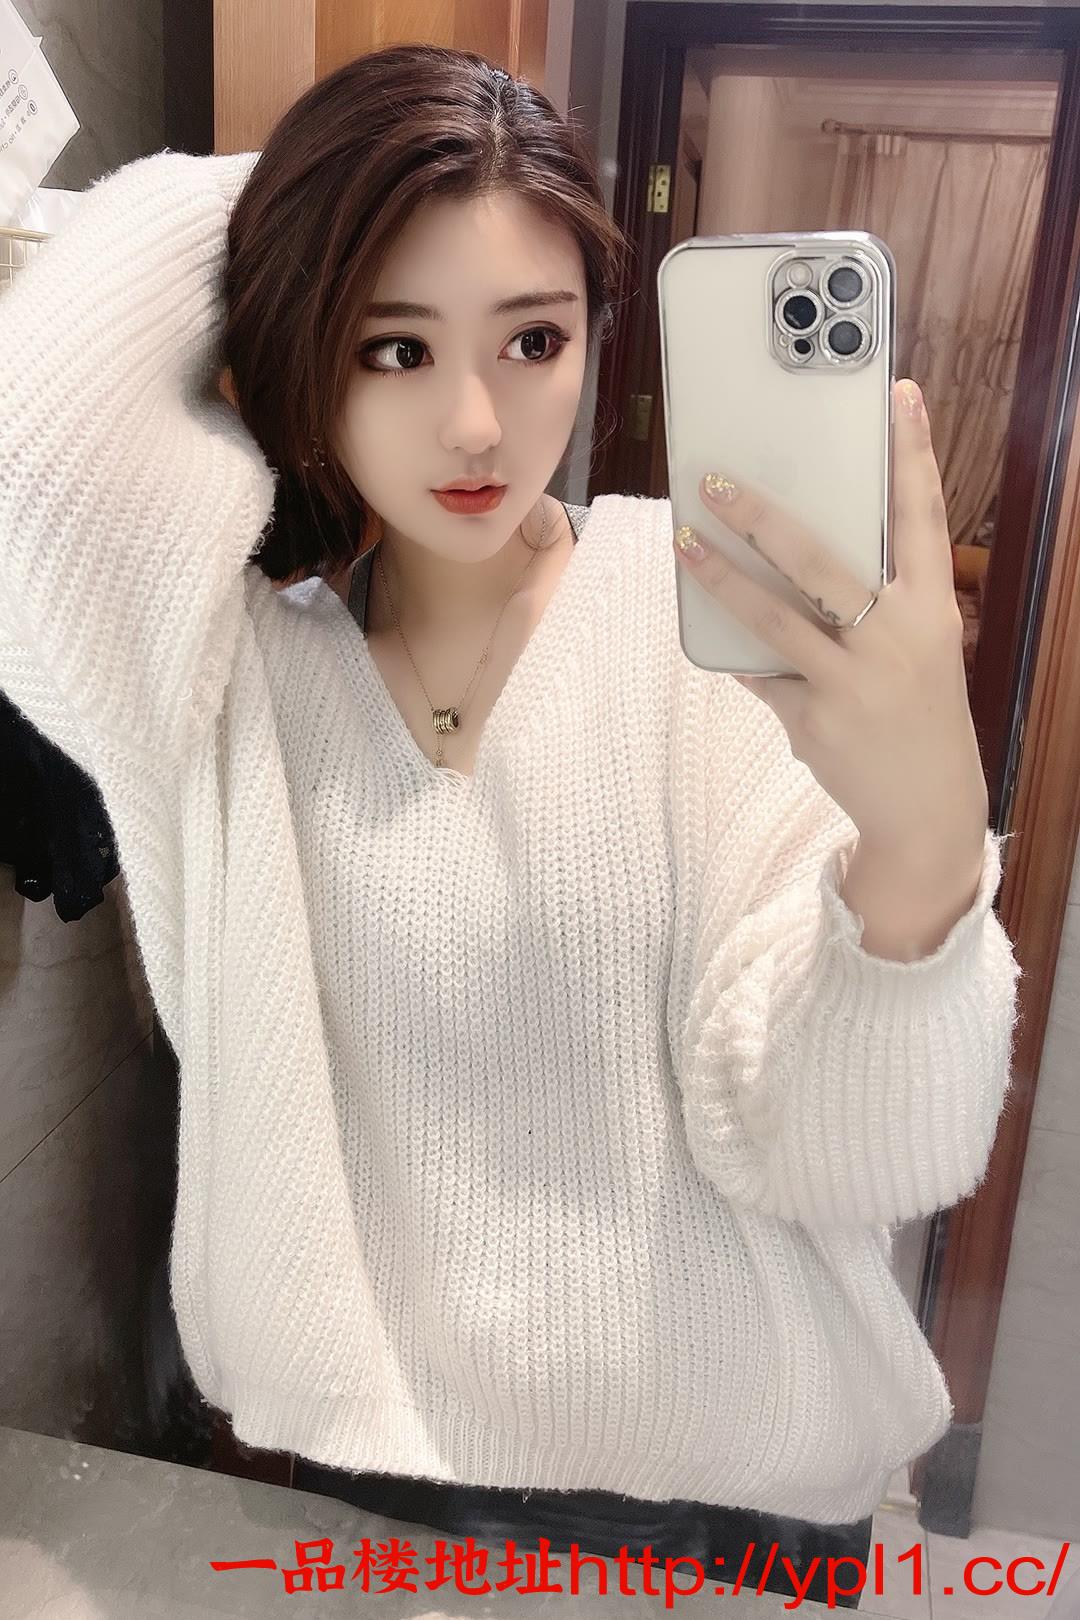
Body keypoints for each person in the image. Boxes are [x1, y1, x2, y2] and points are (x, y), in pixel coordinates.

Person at [0, 43, 1022, 1610]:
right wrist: (321, 193)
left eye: (532, 337)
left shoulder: (710, 638)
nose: (476, 421)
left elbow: (839, 1148)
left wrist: (927, 846)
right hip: (380, 1480)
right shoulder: (229, 680)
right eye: (394, 347)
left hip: (734, 1515)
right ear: (304, 350)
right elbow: (28, 453)